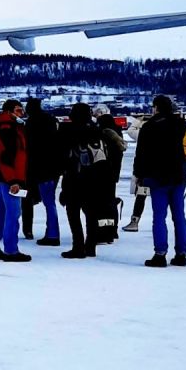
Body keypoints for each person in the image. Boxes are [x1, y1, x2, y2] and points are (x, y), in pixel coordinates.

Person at [133, 93, 186, 267]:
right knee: (179, 216)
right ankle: (181, 253)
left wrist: (139, 175)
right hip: (178, 175)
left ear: (156, 107)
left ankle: (160, 253)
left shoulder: (149, 127)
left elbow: (141, 154)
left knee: (159, 216)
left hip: (157, 176)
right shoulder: (182, 124)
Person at [57, 102, 108, 258]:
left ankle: (78, 246)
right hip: (94, 178)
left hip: (74, 177)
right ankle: (90, 246)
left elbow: (61, 155)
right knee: (91, 213)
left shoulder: (67, 130)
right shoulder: (97, 130)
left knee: (73, 212)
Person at [0, 99, 31, 263]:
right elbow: (7, 157)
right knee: (13, 213)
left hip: (2, 177)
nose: (21, 113)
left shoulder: (3, 125)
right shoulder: (7, 128)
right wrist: (14, 180)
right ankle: (11, 249)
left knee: (1, 211)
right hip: (10, 177)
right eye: (18, 110)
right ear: (9, 111)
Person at [21, 97, 63, 246]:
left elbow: (29, 148)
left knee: (33, 200)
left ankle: (49, 234)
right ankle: (52, 232)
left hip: (38, 168)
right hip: (53, 167)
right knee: (50, 202)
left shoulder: (31, 124)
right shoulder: (51, 121)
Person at [93, 105, 126, 246]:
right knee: (111, 201)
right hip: (114, 173)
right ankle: (113, 230)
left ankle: (102, 232)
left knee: (100, 203)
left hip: (101, 173)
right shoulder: (118, 133)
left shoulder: (101, 132)